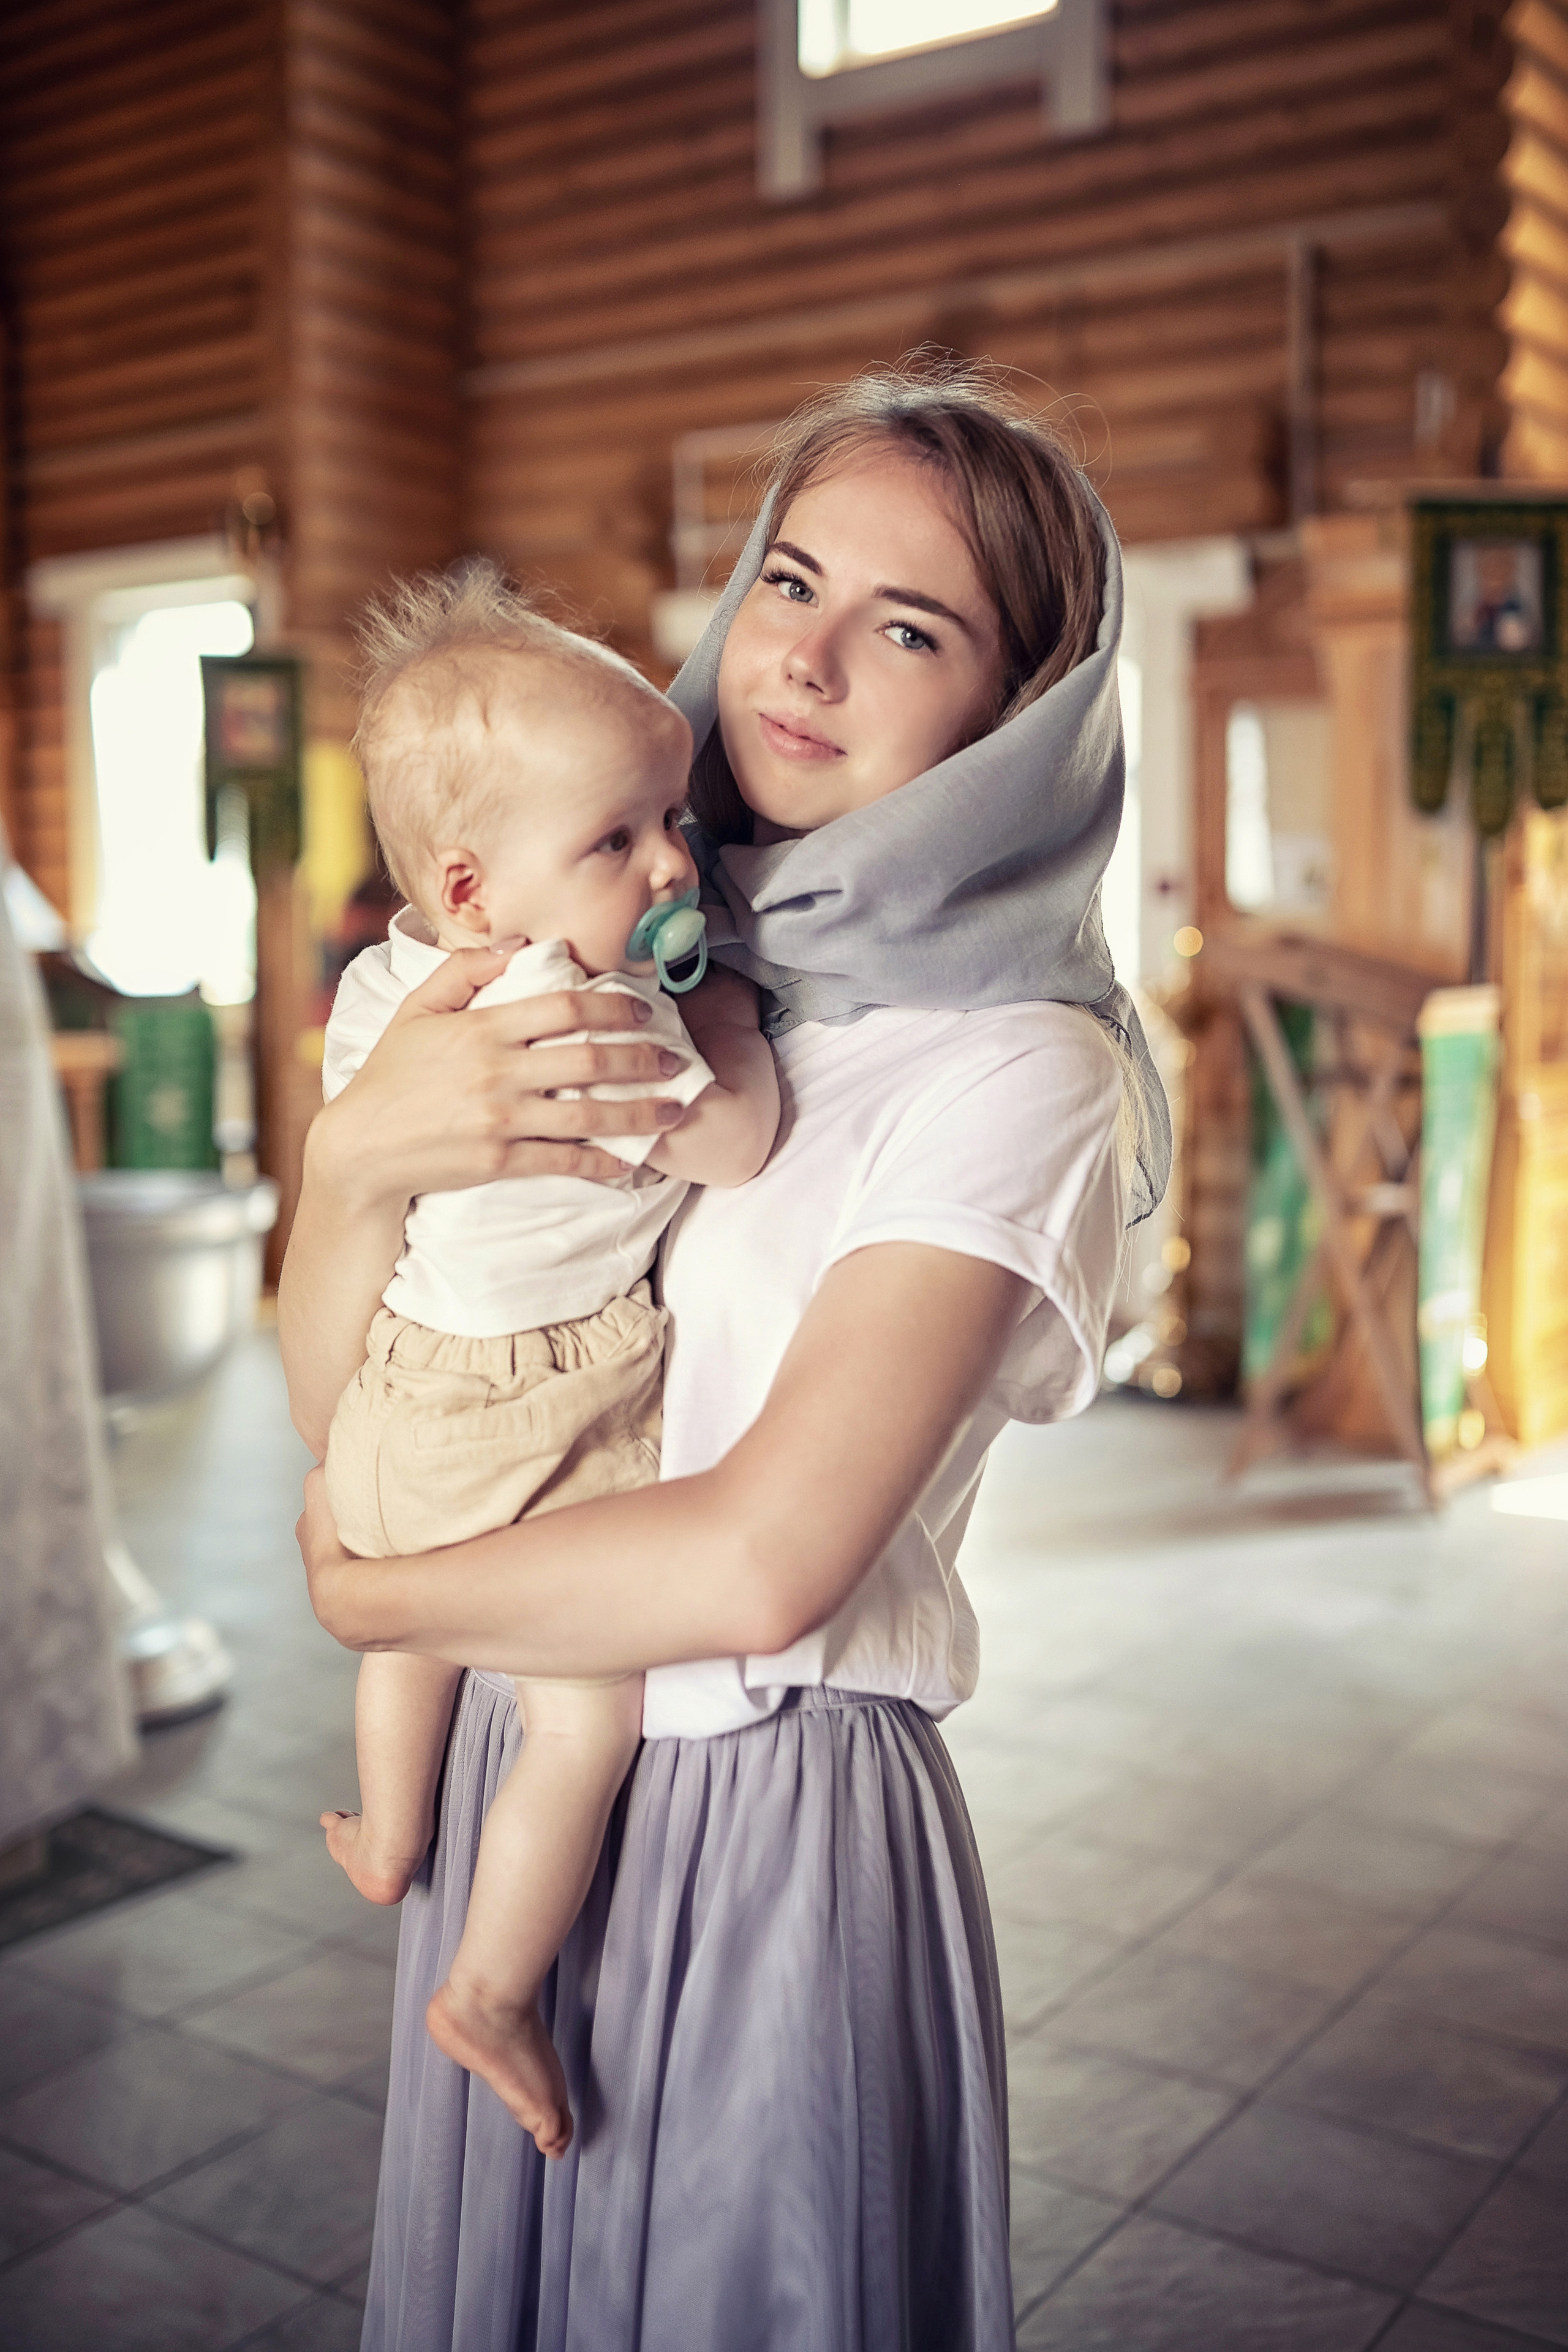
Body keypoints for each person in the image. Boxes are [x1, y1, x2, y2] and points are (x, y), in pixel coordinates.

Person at [284, 363, 1170, 2352]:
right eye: (791, 579)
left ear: (1017, 719)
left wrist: (369, 1592)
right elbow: (338, 1380)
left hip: (768, 1810)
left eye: (911, 626)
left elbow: (769, 1558)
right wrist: (354, 1167)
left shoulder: (1021, 1065)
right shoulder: (635, 947)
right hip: (533, 1758)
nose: (808, 660)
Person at [314, 573, 780, 2158]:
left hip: (400, 1402)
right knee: (586, 1724)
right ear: (473, 889)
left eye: (674, 822)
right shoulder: (595, 1017)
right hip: (540, 1414)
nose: (671, 864)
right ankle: (493, 1986)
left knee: (414, 1624)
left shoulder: (389, 992)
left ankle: (389, 1830)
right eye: (617, 840)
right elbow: (742, 1136)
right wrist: (713, 996)